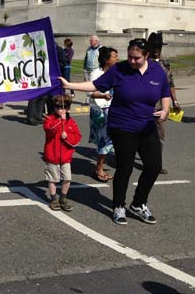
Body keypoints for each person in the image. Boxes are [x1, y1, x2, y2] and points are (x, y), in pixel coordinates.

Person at [60, 38, 171, 225]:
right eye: (129, 57)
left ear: (146, 56)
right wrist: (70, 85)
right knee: (125, 167)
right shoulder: (119, 70)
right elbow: (95, 85)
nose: (132, 61)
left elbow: (164, 93)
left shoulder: (157, 71)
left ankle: (139, 203)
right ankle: (118, 205)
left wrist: (165, 110)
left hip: (147, 125)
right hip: (122, 126)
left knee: (153, 167)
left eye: (136, 58)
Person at [147, 32, 181, 175]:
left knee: (160, 135)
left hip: (161, 105)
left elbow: (170, 83)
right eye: (154, 46)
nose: (156, 50)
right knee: (139, 133)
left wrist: (175, 101)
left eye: (159, 47)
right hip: (143, 105)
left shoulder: (165, 63)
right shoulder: (142, 62)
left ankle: (156, 164)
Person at [43, 94, 82, 212]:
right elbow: (49, 130)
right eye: (57, 107)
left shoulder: (71, 122)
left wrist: (67, 136)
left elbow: (77, 137)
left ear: (68, 108)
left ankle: (63, 198)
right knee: (53, 179)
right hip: (52, 155)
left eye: (63, 107)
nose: (60, 109)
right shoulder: (49, 119)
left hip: (65, 157)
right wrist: (60, 121)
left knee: (67, 178)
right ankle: (53, 199)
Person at [89, 47, 118, 182]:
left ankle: (100, 166)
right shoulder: (96, 73)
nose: (117, 59)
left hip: (113, 111)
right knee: (105, 141)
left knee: (109, 140)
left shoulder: (116, 72)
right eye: (114, 56)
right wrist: (102, 95)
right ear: (106, 60)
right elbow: (90, 92)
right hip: (100, 112)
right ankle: (98, 169)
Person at [26, 42, 66, 125]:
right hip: (37, 77)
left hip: (47, 77)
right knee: (34, 98)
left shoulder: (57, 51)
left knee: (43, 97)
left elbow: (63, 64)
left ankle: (38, 116)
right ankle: (31, 117)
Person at [83, 35, 102, 105]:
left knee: (95, 85)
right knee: (87, 85)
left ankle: (96, 99)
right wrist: (84, 68)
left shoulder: (101, 48)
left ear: (96, 41)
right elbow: (86, 59)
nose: (90, 42)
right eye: (90, 40)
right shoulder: (89, 48)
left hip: (95, 69)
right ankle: (87, 99)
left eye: (91, 40)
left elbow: (102, 60)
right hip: (87, 69)